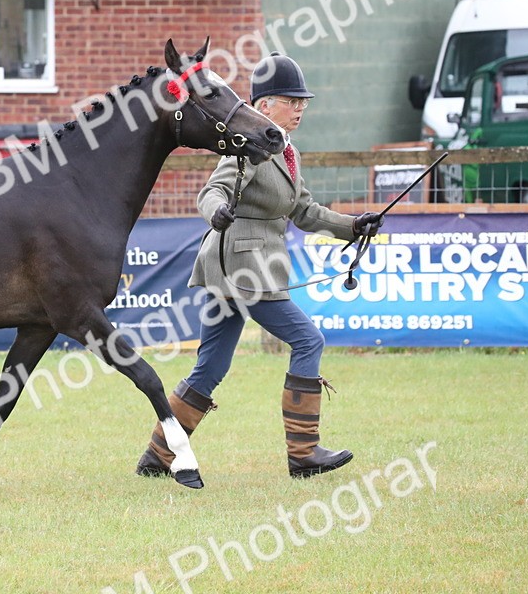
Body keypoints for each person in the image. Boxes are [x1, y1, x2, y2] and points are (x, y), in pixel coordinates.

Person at [136, 52, 382, 479]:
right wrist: (215, 213)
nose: (301, 108)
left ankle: (158, 455)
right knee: (308, 341)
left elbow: (303, 210)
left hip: (233, 270)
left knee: (210, 367)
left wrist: (353, 226)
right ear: (264, 105)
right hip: (244, 267)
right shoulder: (250, 146)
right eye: (292, 100)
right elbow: (212, 191)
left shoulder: (286, 150)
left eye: (304, 101)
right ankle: (303, 453)